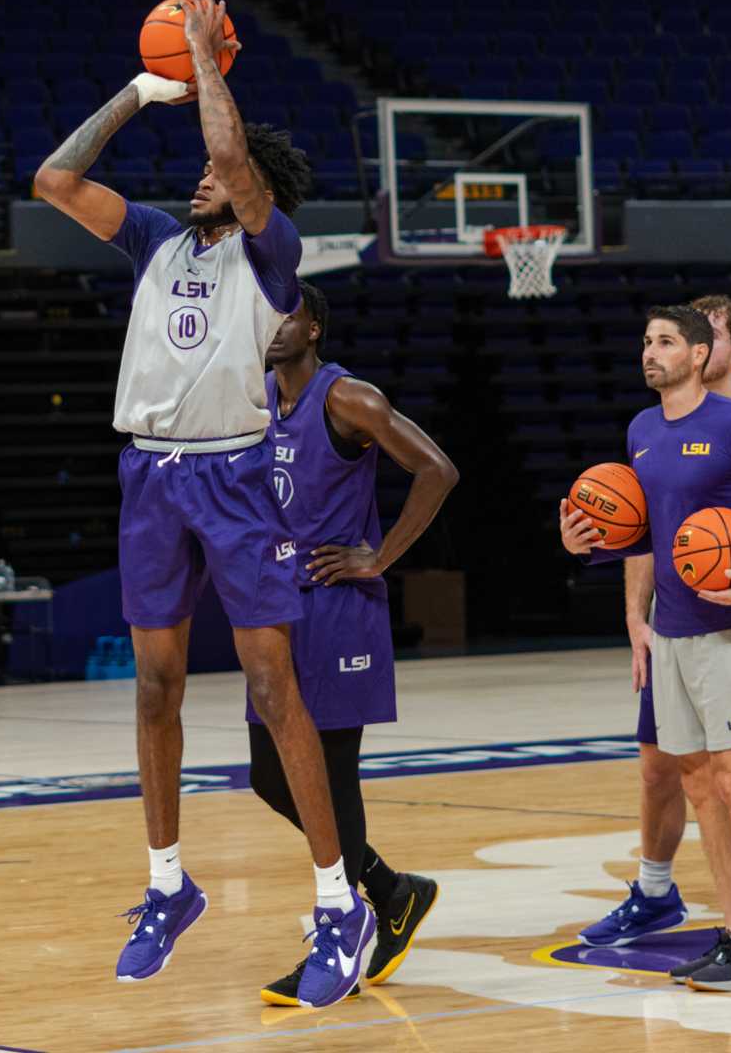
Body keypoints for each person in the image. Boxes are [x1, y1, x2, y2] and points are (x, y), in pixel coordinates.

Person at [34, 0, 373, 1008]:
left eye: (219, 176)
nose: (200, 179)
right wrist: (144, 89)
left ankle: (336, 900)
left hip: (232, 474)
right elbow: (54, 176)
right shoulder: (151, 240)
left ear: (252, 189)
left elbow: (231, 161)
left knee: (274, 694)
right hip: (149, 473)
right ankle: (168, 885)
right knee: (154, 688)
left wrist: (204, 60)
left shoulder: (272, 251)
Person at [569, 305, 731, 990]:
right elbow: (648, 536)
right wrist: (586, 547)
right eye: (646, 340)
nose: (651, 352)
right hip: (672, 630)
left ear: (701, 354)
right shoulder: (642, 430)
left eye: (666, 341)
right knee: (701, 784)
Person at [253, 282, 459, 1004]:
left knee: (333, 775)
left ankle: (345, 930)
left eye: (287, 313)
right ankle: (390, 891)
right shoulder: (257, 402)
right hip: (278, 607)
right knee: (268, 775)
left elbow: (438, 471)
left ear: (314, 327)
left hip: (340, 608)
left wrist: (379, 555)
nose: (273, 324)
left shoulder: (349, 400)